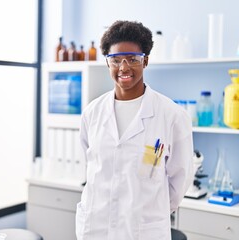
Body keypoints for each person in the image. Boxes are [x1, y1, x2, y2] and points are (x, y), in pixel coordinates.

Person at [75, 20, 194, 240]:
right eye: (116, 60)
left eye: (132, 59)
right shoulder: (92, 113)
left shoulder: (171, 115)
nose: (124, 68)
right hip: (96, 228)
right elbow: (89, 167)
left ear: (145, 61)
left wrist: (148, 210)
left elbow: (181, 177)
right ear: (107, 63)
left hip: (143, 230)